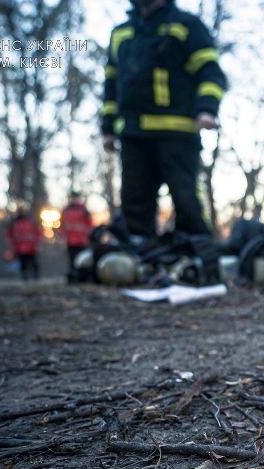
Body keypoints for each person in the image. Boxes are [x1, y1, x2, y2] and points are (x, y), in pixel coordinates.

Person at [101, 0, 228, 284]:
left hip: (178, 132)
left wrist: (207, 107)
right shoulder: (121, 33)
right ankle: (139, 263)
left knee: (186, 198)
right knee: (135, 200)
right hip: (133, 134)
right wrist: (108, 128)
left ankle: (200, 258)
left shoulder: (187, 26)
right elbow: (111, 83)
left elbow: (210, 71)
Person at [59, 194, 94, 281]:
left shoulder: (84, 211)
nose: (74, 200)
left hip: (82, 241)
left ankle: (82, 277)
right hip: (70, 241)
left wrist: (88, 236)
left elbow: (89, 225)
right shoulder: (65, 211)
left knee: (82, 260)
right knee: (72, 260)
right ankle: (73, 276)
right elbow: (62, 225)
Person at [6, 205, 41, 281]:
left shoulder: (31, 221)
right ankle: (25, 277)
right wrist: (11, 246)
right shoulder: (14, 223)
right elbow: (10, 235)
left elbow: (37, 232)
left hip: (31, 247)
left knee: (34, 262)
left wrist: (37, 243)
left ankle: (36, 277)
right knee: (23, 263)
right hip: (20, 247)